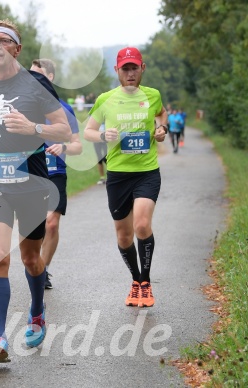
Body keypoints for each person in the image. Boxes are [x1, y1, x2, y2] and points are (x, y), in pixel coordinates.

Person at [0, 19, 71, 363]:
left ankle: (37, 311)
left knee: (30, 258)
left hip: (32, 182)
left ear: (17, 49)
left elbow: (64, 131)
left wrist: (33, 126)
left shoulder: (36, 84)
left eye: (5, 41)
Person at [84, 47, 168, 309]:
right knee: (123, 236)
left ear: (142, 68)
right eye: (125, 69)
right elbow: (88, 131)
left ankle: (145, 282)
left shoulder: (152, 95)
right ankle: (135, 280)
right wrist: (102, 136)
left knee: (142, 226)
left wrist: (162, 127)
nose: (130, 73)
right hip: (118, 175)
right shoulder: (105, 99)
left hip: (146, 172)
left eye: (134, 68)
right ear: (117, 71)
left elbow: (161, 114)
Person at [29, 58, 83, 290]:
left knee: (51, 224)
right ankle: (32, 263)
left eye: (38, 74)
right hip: (31, 173)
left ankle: (44, 270)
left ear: (50, 77)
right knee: (34, 226)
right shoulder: (23, 106)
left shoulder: (65, 109)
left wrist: (64, 147)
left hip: (55, 172)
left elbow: (78, 146)